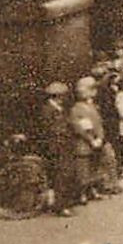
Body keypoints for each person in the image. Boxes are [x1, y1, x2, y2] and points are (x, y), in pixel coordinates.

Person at [70, 75, 121, 201]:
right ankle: (82, 194)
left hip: (95, 141)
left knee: (94, 168)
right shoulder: (77, 108)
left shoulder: (92, 106)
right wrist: (92, 139)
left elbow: (99, 125)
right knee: (83, 170)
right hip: (85, 143)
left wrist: (100, 138)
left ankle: (92, 191)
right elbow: (81, 127)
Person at [37, 81, 79, 217]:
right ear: (56, 96)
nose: (64, 99)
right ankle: (60, 206)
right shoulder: (48, 110)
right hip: (56, 146)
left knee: (65, 174)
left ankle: (61, 202)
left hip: (64, 145)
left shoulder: (59, 109)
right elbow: (49, 129)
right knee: (61, 174)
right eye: (62, 96)